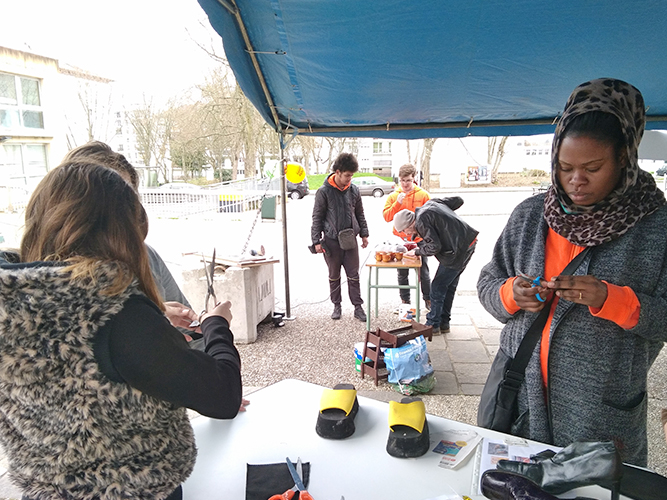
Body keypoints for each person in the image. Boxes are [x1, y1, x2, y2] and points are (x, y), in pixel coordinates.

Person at [0, 162, 243, 499]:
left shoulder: (11, 306)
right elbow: (223, 395)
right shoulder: (117, 315)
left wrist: (155, 321)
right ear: (121, 232)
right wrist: (216, 325)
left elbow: (82, 364)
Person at [476, 78, 667, 466]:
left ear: (625, 159)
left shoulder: (655, 228)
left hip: (600, 413)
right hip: (522, 400)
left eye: (592, 168)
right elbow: (487, 283)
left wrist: (613, 300)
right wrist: (512, 293)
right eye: (565, 168)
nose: (576, 181)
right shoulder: (531, 216)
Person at [61, 141, 205, 350]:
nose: (118, 216)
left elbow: (195, 335)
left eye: (126, 199)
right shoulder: (41, 280)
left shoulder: (148, 258)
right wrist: (150, 320)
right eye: (105, 200)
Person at [393, 197, 478, 334]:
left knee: (438, 287)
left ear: (409, 225)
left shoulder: (421, 221)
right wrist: (445, 218)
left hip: (458, 249)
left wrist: (417, 251)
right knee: (449, 286)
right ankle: (444, 323)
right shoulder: (431, 204)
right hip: (468, 241)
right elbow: (458, 200)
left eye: (404, 231)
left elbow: (434, 247)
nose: (405, 234)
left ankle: (432, 325)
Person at [311, 153, 369, 321]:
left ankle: (358, 307)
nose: (349, 179)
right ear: (337, 172)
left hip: (350, 240)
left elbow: (360, 213)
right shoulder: (323, 192)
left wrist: (364, 233)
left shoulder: (354, 190)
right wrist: (316, 241)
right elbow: (317, 217)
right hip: (330, 241)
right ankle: (337, 305)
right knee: (333, 275)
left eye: (352, 175)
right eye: (347, 175)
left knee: (354, 275)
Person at [383, 163, 432, 310]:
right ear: (399, 179)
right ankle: (405, 301)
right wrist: (397, 204)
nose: (405, 184)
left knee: (423, 270)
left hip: (420, 238)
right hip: (400, 238)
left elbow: (431, 216)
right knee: (402, 271)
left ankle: (428, 300)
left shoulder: (423, 195)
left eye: (408, 180)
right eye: (403, 180)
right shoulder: (394, 196)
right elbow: (386, 217)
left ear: (414, 179)